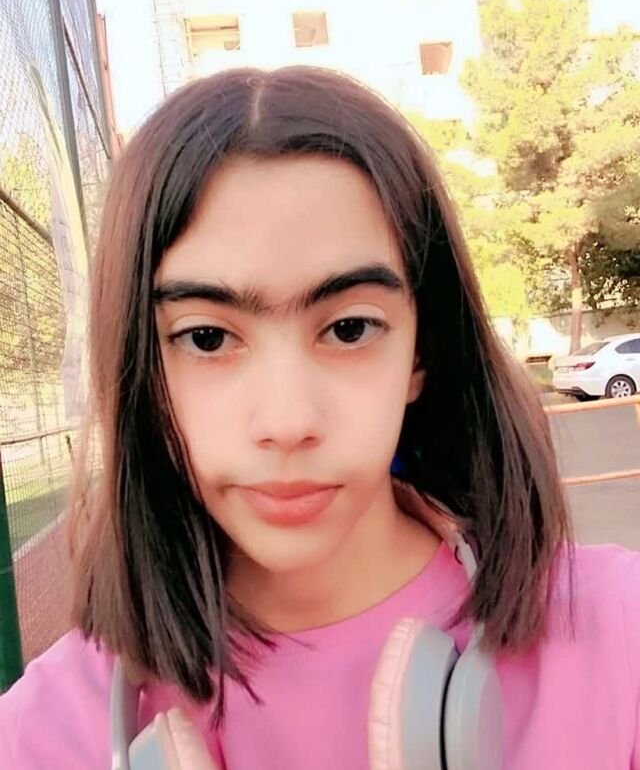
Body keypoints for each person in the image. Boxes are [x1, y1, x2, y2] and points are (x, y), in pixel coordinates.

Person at [0, 65, 638, 769]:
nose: (287, 421)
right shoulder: (42, 734)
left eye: (350, 328)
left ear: (420, 352)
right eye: (206, 337)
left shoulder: (620, 639)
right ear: (142, 369)